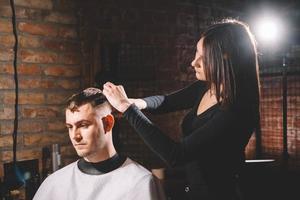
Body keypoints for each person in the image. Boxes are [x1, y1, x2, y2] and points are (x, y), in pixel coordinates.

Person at [103, 19, 260, 200]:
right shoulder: (207, 87)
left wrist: (128, 109)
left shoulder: (236, 110)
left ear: (225, 57)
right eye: (196, 53)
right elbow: (165, 101)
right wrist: (137, 103)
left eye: (203, 58)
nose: (194, 62)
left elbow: (176, 155)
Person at [33, 88, 166, 200]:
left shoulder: (140, 183)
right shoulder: (55, 184)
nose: (75, 136)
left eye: (83, 125)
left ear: (108, 123)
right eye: (70, 127)